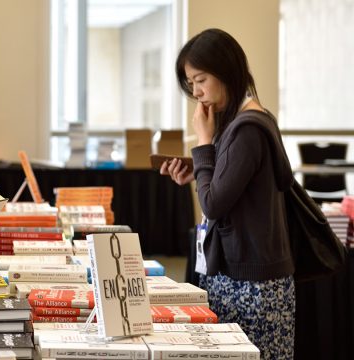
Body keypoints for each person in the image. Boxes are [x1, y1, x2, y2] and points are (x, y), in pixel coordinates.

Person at [161, 28, 295, 360]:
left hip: (250, 281)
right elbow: (232, 189)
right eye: (191, 84)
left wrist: (203, 144)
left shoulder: (246, 128)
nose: (197, 92)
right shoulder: (249, 120)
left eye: (201, 80)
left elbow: (214, 204)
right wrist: (201, 169)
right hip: (245, 273)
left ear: (227, 71)